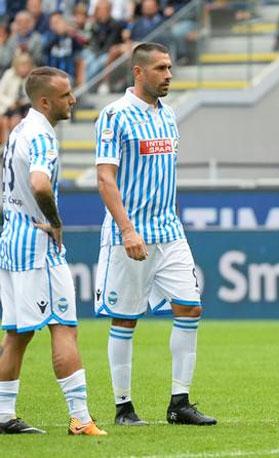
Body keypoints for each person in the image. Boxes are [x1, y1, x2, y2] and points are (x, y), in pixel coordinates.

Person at [93, 42, 216, 427]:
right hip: (130, 235)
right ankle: (123, 407)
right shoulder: (115, 116)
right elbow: (104, 177)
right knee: (126, 319)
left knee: (190, 306)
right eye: (161, 68)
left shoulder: (169, 116)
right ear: (139, 72)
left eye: (170, 68)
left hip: (169, 230)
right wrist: (127, 229)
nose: (168, 75)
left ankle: (179, 403)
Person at [0, 66, 106, 436]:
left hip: (11, 240)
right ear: (45, 101)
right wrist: (55, 221)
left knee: (16, 333)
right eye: (65, 95)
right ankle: (80, 418)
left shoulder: (18, 131)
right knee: (64, 327)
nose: (73, 100)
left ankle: (3, 414)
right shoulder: (42, 136)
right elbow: (40, 184)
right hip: (37, 245)